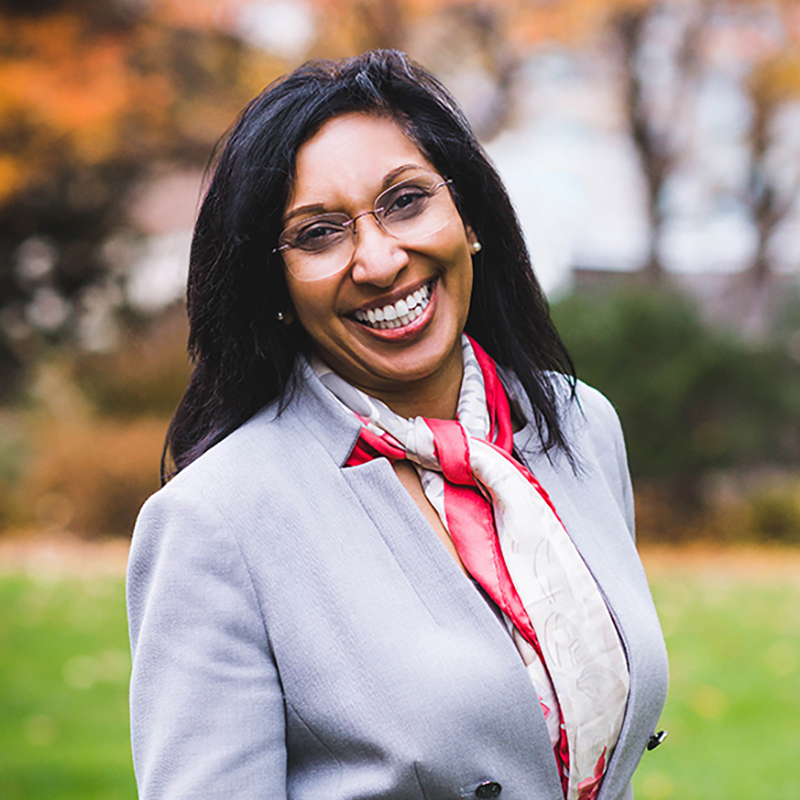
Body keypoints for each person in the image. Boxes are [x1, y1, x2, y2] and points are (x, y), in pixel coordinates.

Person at [127, 49, 668, 800]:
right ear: (275, 288)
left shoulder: (580, 429)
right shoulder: (216, 524)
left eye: (406, 200)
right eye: (318, 234)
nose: (379, 260)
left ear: (470, 219)